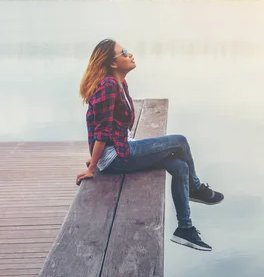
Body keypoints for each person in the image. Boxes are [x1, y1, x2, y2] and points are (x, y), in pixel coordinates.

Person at [75, 39, 224, 252]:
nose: (130, 54)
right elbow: (101, 131)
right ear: (113, 63)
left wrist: (95, 157)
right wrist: (93, 167)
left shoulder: (119, 84)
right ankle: (196, 187)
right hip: (118, 156)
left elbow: (109, 129)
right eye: (124, 52)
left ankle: (185, 228)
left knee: (180, 166)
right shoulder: (107, 86)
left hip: (120, 149)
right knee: (180, 141)